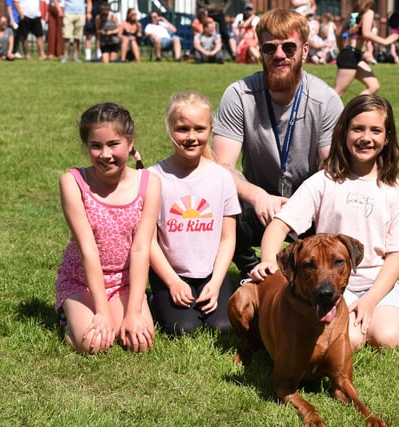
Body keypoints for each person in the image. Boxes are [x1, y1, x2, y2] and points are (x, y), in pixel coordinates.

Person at [250, 94, 399, 351]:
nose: (366, 137)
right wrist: (268, 259)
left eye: (375, 130)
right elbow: (279, 224)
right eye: (357, 128)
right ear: (343, 131)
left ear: (388, 137)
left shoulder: (395, 190)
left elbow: (397, 255)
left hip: (378, 285)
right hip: (329, 285)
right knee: (353, 340)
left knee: (389, 338)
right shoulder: (324, 181)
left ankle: (374, 313)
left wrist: (370, 301)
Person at [212, 8, 344, 278]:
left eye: (288, 47)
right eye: (270, 48)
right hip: (256, 202)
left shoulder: (326, 100)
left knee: (341, 204)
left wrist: (301, 204)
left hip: (310, 202)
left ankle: (316, 271)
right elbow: (220, 165)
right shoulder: (239, 95)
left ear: (305, 50)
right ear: (260, 50)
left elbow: (333, 167)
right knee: (215, 197)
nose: (279, 55)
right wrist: (257, 196)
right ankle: (255, 272)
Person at [55, 102, 160, 355]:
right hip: (82, 281)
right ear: (87, 146)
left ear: (130, 142)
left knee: (140, 343)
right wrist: (101, 313)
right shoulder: (73, 182)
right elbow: (88, 250)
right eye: (96, 146)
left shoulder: (150, 183)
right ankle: (69, 319)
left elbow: (140, 249)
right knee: (94, 343)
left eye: (113, 144)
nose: (105, 154)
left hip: (123, 281)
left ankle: (127, 309)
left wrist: (134, 310)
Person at [148, 92, 240, 336]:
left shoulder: (222, 178)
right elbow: (148, 241)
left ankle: (209, 292)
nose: (191, 137)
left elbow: (227, 238)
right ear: (169, 129)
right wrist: (172, 282)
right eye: (182, 129)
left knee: (224, 326)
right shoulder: (153, 178)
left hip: (211, 272)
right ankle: (153, 299)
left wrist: (216, 282)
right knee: (184, 328)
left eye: (199, 129)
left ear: (211, 129)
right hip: (170, 272)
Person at [334, 0, 399, 96]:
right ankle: (318, 110)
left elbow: (338, 33)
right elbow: (366, 33)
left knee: (374, 86)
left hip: (354, 56)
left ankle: (355, 109)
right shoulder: (368, 13)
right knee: (337, 93)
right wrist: (385, 41)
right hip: (350, 56)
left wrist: (341, 50)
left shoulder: (354, 14)